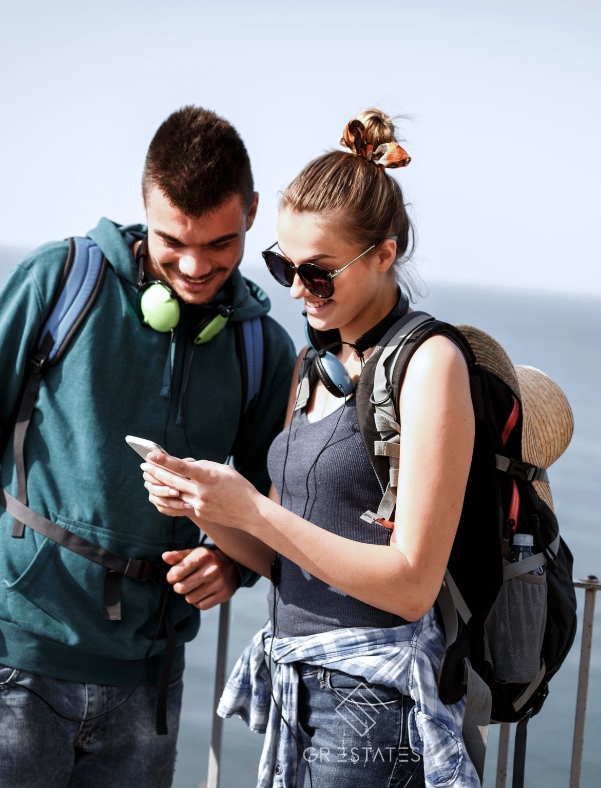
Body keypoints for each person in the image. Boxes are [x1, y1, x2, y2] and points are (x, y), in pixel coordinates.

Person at [0, 106, 296, 786]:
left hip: (149, 689)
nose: (196, 267)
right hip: (8, 663)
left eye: (221, 245)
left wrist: (231, 562)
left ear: (253, 211)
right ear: (144, 206)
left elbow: (272, 504)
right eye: (175, 241)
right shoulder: (58, 279)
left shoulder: (262, 347)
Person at [142, 109, 481, 787]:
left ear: (384, 254)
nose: (296, 289)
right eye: (282, 266)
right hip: (300, 688)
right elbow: (279, 555)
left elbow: (413, 584)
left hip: (375, 704)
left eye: (319, 273)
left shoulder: (431, 363)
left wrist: (253, 510)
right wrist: (207, 507)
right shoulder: (310, 365)